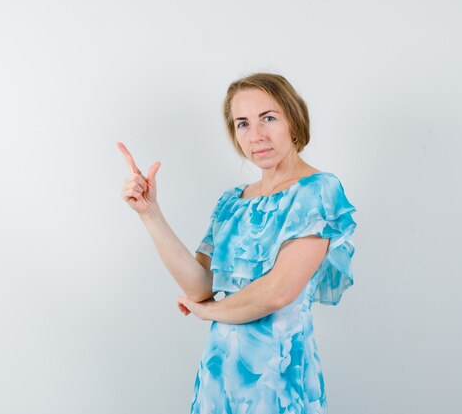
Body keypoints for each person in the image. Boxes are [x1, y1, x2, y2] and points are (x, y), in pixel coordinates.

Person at [117, 72, 357, 414]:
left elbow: (278, 292)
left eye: (268, 118)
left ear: (293, 120)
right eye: (242, 123)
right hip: (219, 374)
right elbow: (200, 285)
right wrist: (149, 214)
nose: (255, 135)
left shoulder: (318, 191)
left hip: (278, 377)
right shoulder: (233, 202)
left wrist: (209, 312)